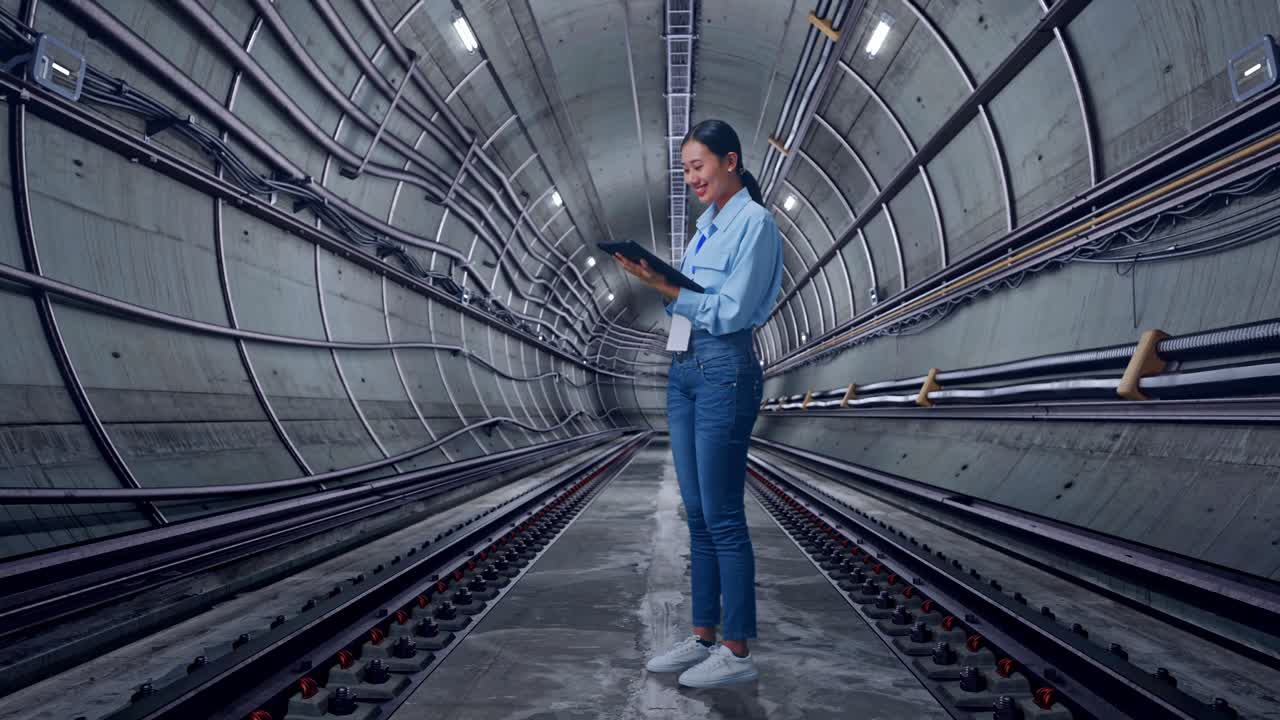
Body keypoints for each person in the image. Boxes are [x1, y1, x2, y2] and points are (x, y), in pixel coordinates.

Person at [613, 118, 783, 688]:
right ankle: (705, 635)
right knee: (698, 516)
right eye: (685, 170)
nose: (691, 178)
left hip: (724, 369)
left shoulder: (755, 225)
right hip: (684, 370)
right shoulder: (706, 227)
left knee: (724, 515)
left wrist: (667, 288)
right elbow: (689, 300)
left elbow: (732, 311)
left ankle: (736, 652)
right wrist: (659, 278)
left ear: (730, 161)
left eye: (698, 166)